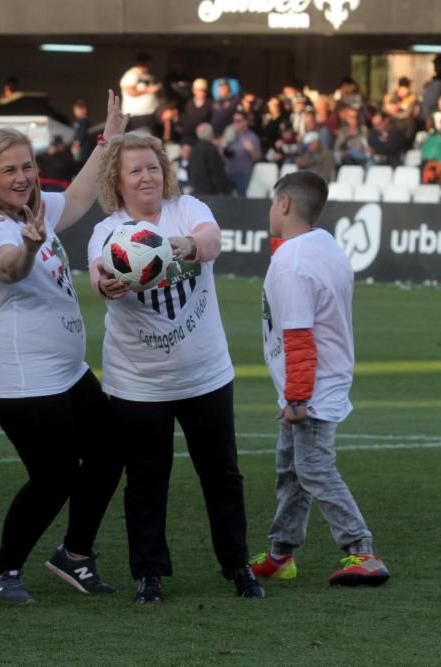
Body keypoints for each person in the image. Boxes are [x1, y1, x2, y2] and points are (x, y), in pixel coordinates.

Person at [0, 90, 129, 604]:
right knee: (55, 475)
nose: (21, 177)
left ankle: (74, 556)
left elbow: (78, 196)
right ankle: (2, 575)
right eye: (8, 169)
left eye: (27, 167)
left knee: (108, 450)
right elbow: (10, 266)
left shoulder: (36, 209)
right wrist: (31, 246)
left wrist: (110, 139)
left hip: (63, 366)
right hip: (16, 370)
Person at [86, 131, 264, 604]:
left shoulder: (188, 209)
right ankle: (149, 574)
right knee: (146, 477)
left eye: (152, 166)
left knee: (222, 473)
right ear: (116, 180)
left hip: (205, 374)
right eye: (135, 170)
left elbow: (211, 240)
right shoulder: (109, 232)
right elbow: (98, 277)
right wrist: (110, 285)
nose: (146, 176)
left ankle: (238, 564)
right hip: (138, 382)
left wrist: (184, 246)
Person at [251, 171, 390, 587]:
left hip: (310, 386)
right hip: (319, 378)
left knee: (312, 469)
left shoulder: (291, 264)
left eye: (274, 202)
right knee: (291, 470)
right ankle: (281, 553)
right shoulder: (323, 245)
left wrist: (296, 398)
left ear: (285, 205)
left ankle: (361, 550)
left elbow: (298, 338)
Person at [221, 111, 261, 197]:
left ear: (245, 121)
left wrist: (251, 150)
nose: (235, 123)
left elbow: (257, 158)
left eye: (238, 120)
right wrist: (223, 147)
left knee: (242, 201)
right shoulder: (229, 134)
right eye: (234, 120)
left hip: (243, 175)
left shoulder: (252, 137)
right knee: (227, 201)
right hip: (228, 173)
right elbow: (222, 155)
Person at [119, 53, 160, 132]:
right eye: (147, 65)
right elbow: (130, 91)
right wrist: (148, 90)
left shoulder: (146, 75)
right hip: (137, 114)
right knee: (140, 138)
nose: (149, 67)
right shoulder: (131, 74)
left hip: (149, 113)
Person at [188, 123, 232, 196]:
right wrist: (225, 190)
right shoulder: (211, 149)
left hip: (197, 189)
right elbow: (217, 172)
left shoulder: (194, 149)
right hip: (211, 192)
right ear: (211, 134)